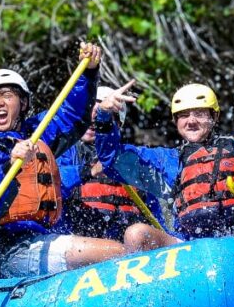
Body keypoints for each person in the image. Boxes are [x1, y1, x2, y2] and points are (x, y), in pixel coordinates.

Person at [0, 43, 140, 279]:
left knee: (127, 245)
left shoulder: (37, 133)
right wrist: (8, 168)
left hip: (48, 236)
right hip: (8, 250)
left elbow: (73, 115)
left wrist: (89, 72)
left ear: (23, 103)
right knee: (117, 252)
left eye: (7, 95)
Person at [93, 83, 234, 240]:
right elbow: (111, 159)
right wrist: (103, 116)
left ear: (215, 116)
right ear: (175, 121)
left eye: (199, 114)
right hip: (189, 245)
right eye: (184, 115)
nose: (191, 121)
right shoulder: (165, 161)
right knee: (136, 234)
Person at [58, 84, 173, 249]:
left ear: (117, 125)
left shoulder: (129, 162)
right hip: (81, 247)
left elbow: (156, 218)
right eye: (90, 110)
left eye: (101, 115)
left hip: (126, 248)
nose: (93, 118)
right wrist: (88, 171)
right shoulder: (66, 155)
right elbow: (52, 187)